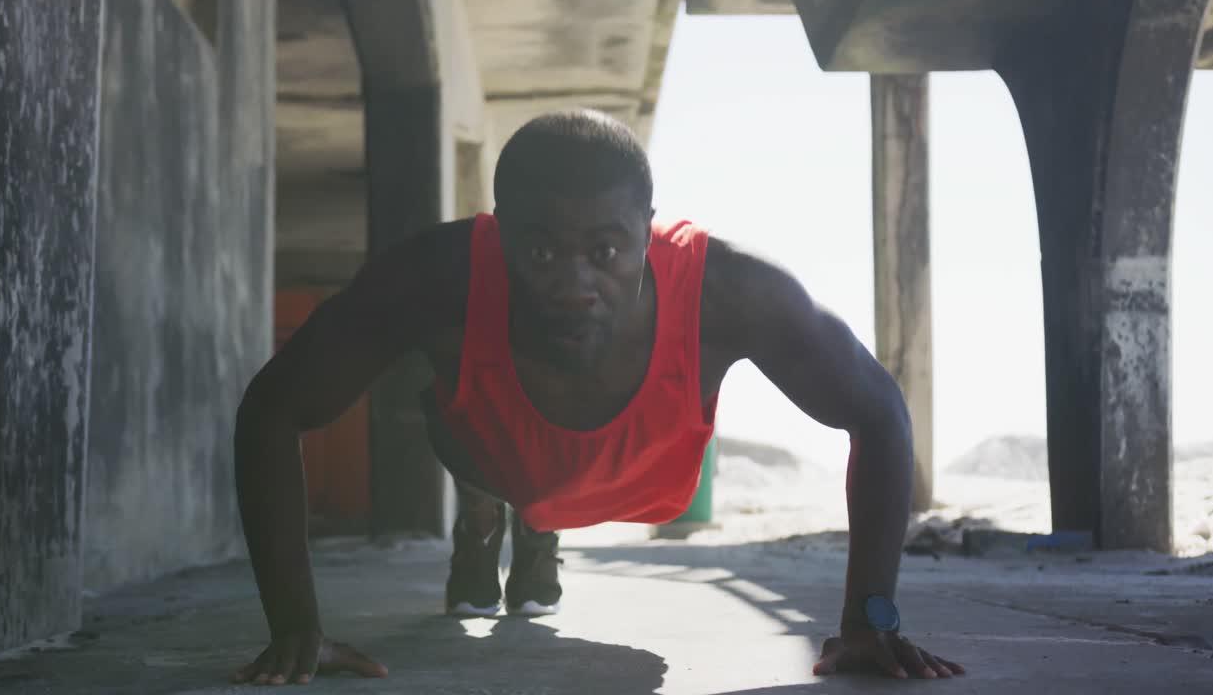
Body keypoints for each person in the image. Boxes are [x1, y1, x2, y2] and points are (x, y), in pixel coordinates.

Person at [230, 110, 966, 686]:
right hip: (493, 455)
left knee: (532, 497)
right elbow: (272, 409)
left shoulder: (732, 292)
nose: (573, 284)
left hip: (645, 479)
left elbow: (878, 412)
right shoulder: (436, 274)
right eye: (541, 251)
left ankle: (531, 528)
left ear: (649, 234)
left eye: (606, 251)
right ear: (498, 230)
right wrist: (296, 626)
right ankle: (489, 518)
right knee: (485, 468)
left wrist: (871, 618)